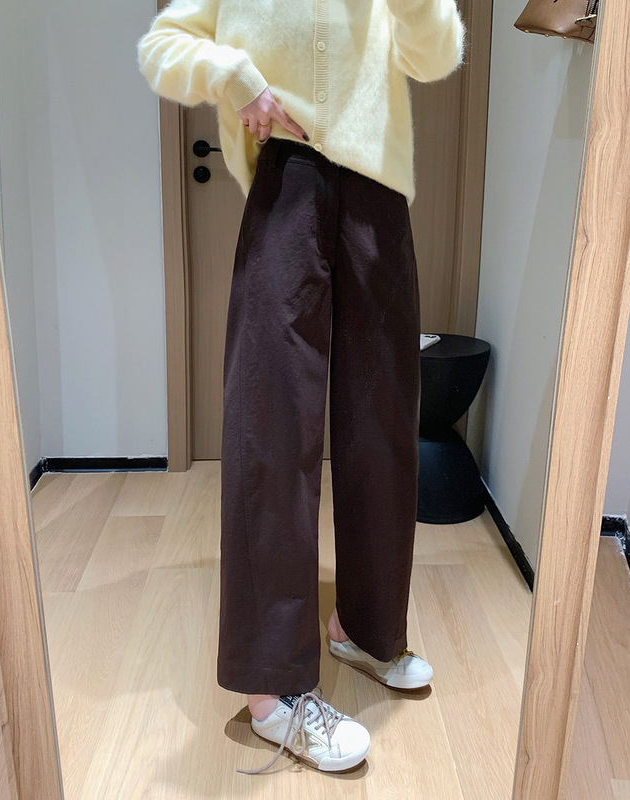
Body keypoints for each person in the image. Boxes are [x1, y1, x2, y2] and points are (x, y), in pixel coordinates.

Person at [138, 0, 465, 774]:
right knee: (272, 424)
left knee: (384, 424)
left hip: (378, 189)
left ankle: (365, 629)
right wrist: (234, 76)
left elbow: (436, 54)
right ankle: (272, 693)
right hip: (286, 181)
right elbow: (163, 45)